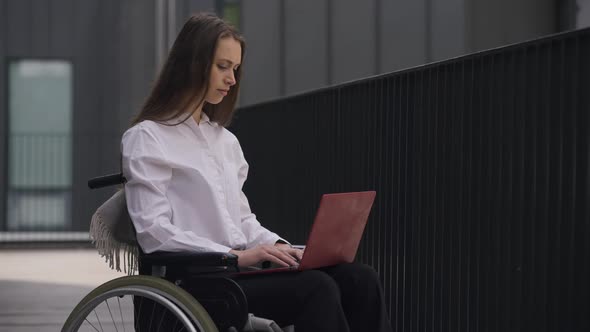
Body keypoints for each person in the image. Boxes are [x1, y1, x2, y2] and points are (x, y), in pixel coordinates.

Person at [121, 12, 392, 332]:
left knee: (360, 278)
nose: (232, 79)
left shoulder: (224, 140)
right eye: (223, 67)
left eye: (235, 69)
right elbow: (154, 234)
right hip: (199, 279)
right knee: (316, 288)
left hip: (240, 270)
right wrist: (235, 257)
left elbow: (242, 220)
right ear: (192, 64)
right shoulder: (148, 137)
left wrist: (278, 246)